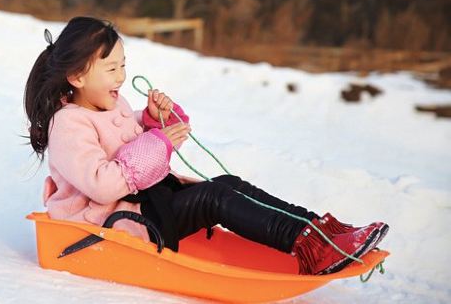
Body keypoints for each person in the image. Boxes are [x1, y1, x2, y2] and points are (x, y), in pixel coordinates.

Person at [24, 16, 388, 275]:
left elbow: (129, 136)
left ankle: (318, 231)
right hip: (116, 222)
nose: (121, 78)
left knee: (227, 183)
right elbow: (102, 184)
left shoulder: (108, 103)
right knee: (214, 198)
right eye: (111, 70)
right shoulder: (67, 125)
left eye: (124, 66)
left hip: (149, 203)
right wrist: (157, 142)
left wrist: (154, 119)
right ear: (77, 76)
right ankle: (311, 249)